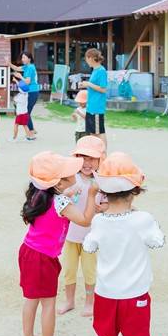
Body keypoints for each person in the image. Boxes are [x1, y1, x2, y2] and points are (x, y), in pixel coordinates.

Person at [84, 152, 165, 336]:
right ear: (134, 191)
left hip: (105, 293)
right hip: (135, 294)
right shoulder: (143, 219)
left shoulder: (98, 222)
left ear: (104, 192)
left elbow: (88, 246)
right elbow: (158, 241)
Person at [20, 150, 99, 336]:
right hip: (44, 258)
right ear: (59, 183)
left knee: (31, 299)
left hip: (28, 252)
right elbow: (84, 220)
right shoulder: (61, 202)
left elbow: (57, 201)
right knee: (48, 303)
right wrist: (91, 195)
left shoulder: (40, 194)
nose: (75, 173)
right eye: (69, 172)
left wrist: (68, 195)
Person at [58, 135, 106, 318]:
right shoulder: (70, 179)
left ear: (100, 159)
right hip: (69, 234)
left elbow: (108, 203)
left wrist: (103, 208)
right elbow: (60, 199)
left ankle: (89, 303)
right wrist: (69, 192)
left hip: (91, 236)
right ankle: (69, 301)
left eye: (92, 158)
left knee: (89, 271)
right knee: (69, 270)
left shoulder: (101, 181)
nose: (87, 163)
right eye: (82, 157)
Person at [78, 48, 108, 146]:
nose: (86, 62)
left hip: (97, 106)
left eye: (86, 59)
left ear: (90, 58)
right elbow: (94, 86)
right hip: (91, 105)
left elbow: (103, 89)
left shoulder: (101, 71)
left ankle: (103, 154)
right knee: (92, 132)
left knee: (99, 132)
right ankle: (95, 154)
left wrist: (89, 84)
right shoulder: (95, 70)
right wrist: (86, 85)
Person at [6, 52, 39, 139]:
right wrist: (8, 63)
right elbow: (16, 68)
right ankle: (31, 130)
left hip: (32, 92)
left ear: (29, 59)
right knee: (27, 112)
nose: (22, 59)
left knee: (26, 112)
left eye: (24, 58)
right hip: (31, 91)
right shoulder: (27, 67)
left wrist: (20, 77)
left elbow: (27, 81)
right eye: (22, 58)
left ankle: (31, 132)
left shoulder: (30, 68)